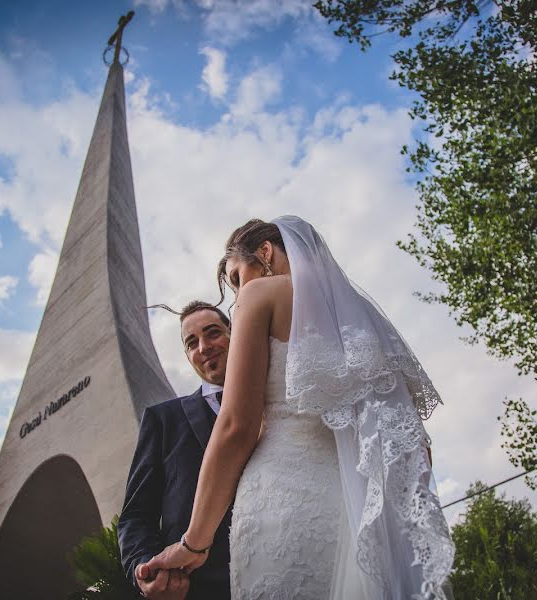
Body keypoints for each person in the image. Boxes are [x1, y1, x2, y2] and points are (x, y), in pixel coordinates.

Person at [144, 217, 454, 599]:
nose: (240, 292)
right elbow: (415, 449)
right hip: (359, 521)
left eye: (237, 277)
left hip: (284, 509)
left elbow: (236, 427)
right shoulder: (362, 320)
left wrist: (193, 543)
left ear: (266, 253)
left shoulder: (260, 297)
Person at [117, 300, 234, 600]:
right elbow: (136, 515)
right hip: (204, 589)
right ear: (187, 355)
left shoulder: (280, 397)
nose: (204, 347)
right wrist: (144, 566)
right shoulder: (163, 420)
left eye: (213, 333)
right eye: (192, 343)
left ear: (234, 333)